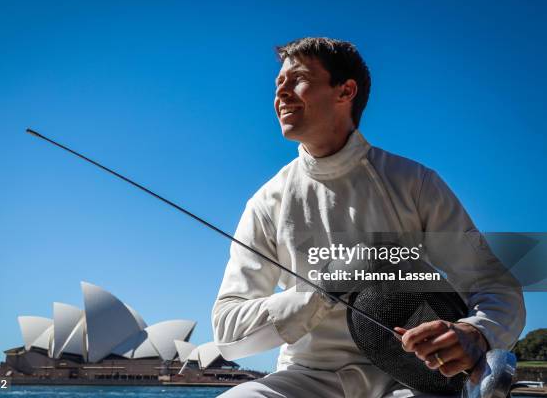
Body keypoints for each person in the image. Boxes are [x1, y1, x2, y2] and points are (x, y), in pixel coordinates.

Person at [211, 37, 525, 398]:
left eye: (297, 79)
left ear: (345, 91)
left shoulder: (413, 182)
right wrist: (323, 290)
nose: (281, 94)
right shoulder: (266, 203)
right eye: (277, 84)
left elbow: (495, 285)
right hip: (307, 378)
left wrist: (477, 331)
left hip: (413, 381)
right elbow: (227, 330)